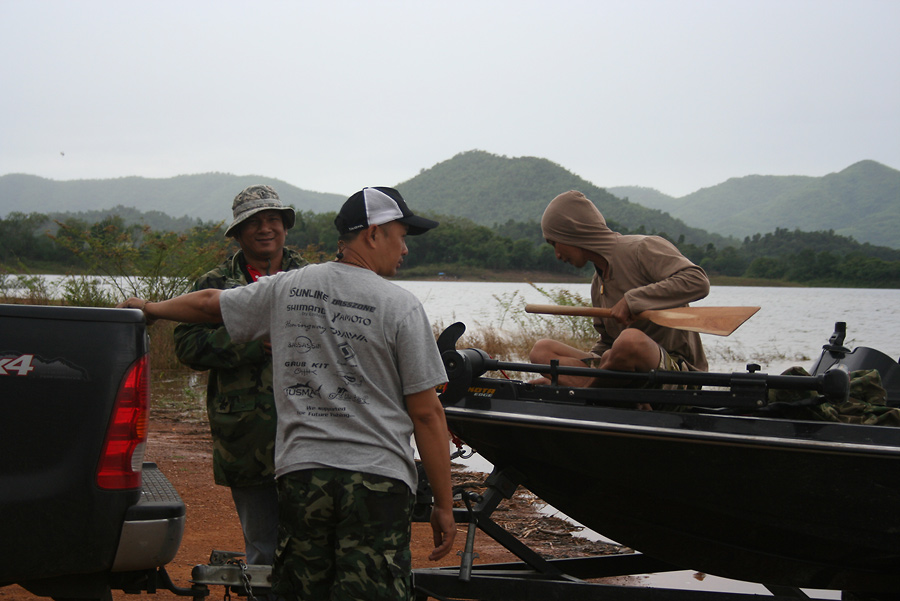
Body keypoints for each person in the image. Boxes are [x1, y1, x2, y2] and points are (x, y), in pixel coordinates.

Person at [120, 186, 456, 600]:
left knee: (299, 589)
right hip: (376, 479)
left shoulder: (291, 286)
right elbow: (427, 414)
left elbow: (210, 305)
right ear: (373, 234)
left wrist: (152, 308)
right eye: (401, 235)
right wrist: (444, 502)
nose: (404, 249)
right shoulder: (401, 306)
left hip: (303, 474)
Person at [172, 184, 307, 567]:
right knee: (263, 548)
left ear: (285, 226)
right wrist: (249, 344)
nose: (265, 229)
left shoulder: (311, 279)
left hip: (312, 430)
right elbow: (187, 346)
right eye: (255, 222)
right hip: (247, 435)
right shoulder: (212, 283)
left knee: (310, 546)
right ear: (238, 233)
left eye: (273, 220)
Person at [529, 190, 710, 390]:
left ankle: (587, 392)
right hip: (627, 373)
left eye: (555, 243)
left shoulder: (642, 248)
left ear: (572, 232)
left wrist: (633, 300)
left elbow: (697, 280)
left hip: (676, 375)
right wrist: (563, 376)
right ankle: (595, 389)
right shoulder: (598, 282)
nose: (557, 254)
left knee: (629, 341)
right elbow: (608, 344)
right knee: (542, 350)